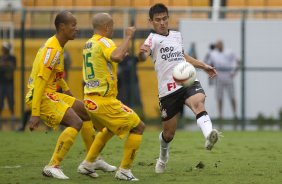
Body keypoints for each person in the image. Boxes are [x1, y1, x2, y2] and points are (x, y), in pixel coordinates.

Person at [25, 11, 115, 180]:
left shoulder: (58, 46)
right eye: (73, 25)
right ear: (62, 27)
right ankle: (53, 165)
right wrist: (35, 113)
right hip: (41, 95)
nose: (77, 29)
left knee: (86, 112)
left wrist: (69, 95)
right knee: (76, 122)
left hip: (50, 93)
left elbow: (58, 77)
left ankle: (92, 160)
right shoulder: (52, 50)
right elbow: (39, 83)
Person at [138, 3, 220, 174]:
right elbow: (143, 54)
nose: (162, 23)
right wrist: (142, 53)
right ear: (151, 22)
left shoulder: (176, 35)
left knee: (198, 102)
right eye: (158, 20)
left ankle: (209, 136)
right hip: (168, 90)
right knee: (168, 134)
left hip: (187, 80)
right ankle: (163, 158)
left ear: (169, 18)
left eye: (165, 19)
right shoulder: (152, 39)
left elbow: (183, 56)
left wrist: (204, 66)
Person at [77, 13, 145, 181]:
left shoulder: (89, 43)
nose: (113, 30)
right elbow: (116, 56)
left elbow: (109, 59)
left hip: (90, 99)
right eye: (112, 27)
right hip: (104, 99)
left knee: (109, 129)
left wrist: (120, 54)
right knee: (139, 127)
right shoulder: (105, 41)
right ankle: (124, 170)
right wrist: (128, 37)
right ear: (106, 27)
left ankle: (88, 164)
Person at [206, 40, 239, 119]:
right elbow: (209, 63)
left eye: (219, 44)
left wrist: (234, 72)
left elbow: (237, 61)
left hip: (228, 77)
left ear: (222, 45)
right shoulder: (213, 54)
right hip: (219, 78)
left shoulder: (229, 52)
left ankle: (235, 114)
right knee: (219, 97)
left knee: (232, 97)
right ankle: (220, 115)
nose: (218, 46)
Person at [0, 42, 16, 129]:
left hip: (9, 83)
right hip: (1, 83)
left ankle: (13, 119)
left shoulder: (12, 58)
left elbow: (13, 67)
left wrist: (5, 64)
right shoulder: (1, 58)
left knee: (10, 101)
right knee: (0, 101)